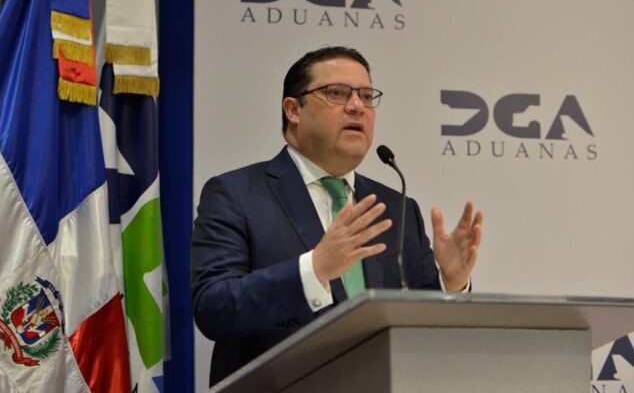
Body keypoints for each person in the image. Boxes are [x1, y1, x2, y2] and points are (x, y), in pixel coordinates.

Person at [191, 46, 483, 386]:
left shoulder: (398, 208)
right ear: (293, 110)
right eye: (337, 93)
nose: (357, 106)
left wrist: (452, 286)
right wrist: (314, 269)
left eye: (366, 96)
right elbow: (213, 308)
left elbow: (424, 330)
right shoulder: (237, 194)